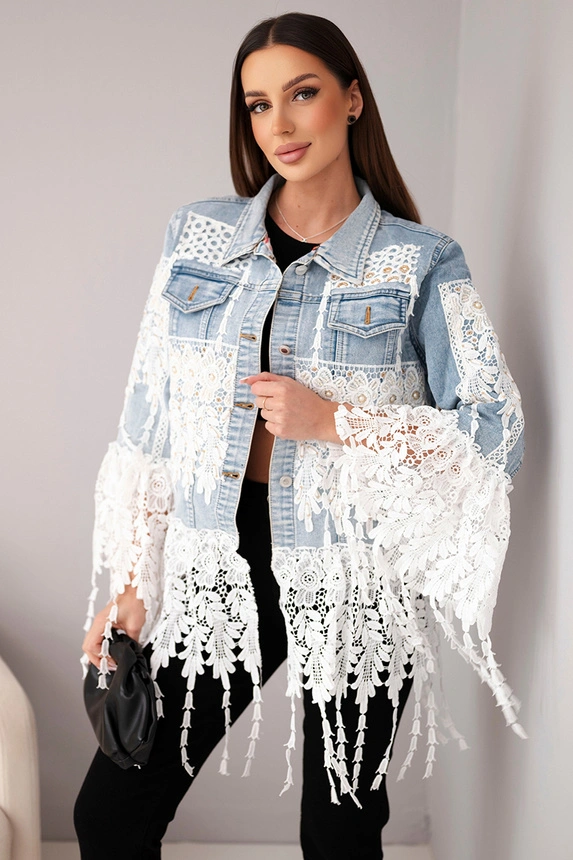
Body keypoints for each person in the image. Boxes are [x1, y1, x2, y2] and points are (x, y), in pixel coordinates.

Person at [74, 11, 526, 860]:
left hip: (355, 570)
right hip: (221, 559)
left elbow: (492, 430)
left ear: (352, 99)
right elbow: (149, 423)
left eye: (302, 94)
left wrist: (335, 422)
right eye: (257, 105)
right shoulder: (197, 237)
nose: (278, 123)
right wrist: (134, 582)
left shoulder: (420, 261)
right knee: (110, 813)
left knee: (340, 831)